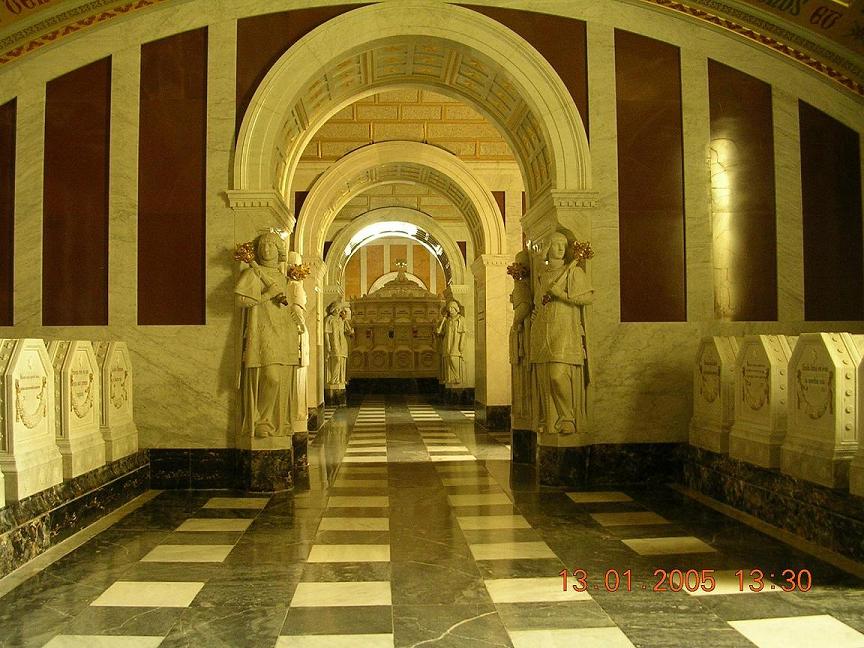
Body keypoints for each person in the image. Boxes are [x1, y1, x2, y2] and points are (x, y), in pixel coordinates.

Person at [529, 231, 594, 435]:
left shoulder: (574, 272)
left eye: (563, 245)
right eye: (556, 244)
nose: (559, 248)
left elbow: (586, 298)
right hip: (543, 328)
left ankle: (568, 417)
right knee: (545, 378)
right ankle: (550, 419)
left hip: (564, 328)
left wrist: (563, 295)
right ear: (548, 248)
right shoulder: (543, 274)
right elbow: (538, 301)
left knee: (557, 375)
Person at [235, 232, 293, 438]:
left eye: (271, 245)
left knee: (280, 380)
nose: (266, 249)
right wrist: (267, 295)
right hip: (263, 331)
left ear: (278, 250)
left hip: (283, 332)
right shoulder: (252, 274)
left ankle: (268, 420)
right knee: (272, 378)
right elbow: (241, 301)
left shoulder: (282, 277)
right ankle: (261, 420)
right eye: (263, 246)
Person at [509, 250, 533, 427]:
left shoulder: (522, 286)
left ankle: (524, 410)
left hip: (523, 334)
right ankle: (522, 409)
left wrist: (516, 323)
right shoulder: (522, 285)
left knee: (523, 378)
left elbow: (524, 306)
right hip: (521, 334)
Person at [437, 300, 466, 385]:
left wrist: (461, 344)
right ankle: (451, 378)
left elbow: (463, 332)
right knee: (448, 359)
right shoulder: (448, 320)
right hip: (448, 342)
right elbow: (442, 332)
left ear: (456, 309)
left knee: (453, 358)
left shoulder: (460, 319)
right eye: (449, 308)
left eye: (452, 308)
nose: (450, 310)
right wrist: (441, 325)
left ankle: (457, 376)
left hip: (455, 342)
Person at [324, 301, 348, 388]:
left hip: (342, 343)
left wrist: (344, 318)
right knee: (337, 360)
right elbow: (326, 332)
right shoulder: (329, 319)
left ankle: (339, 379)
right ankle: (333, 380)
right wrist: (328, 345)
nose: (338, 310)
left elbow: (348, 331)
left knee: (341, 361)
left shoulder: (341, 320)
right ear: (333, 309)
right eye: (337, 308)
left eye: (339, 309)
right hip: (334, 343)